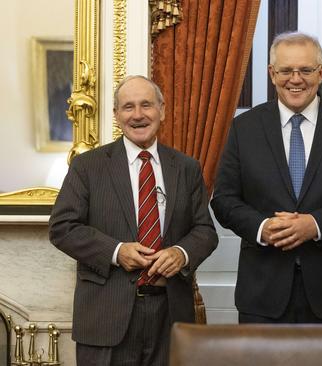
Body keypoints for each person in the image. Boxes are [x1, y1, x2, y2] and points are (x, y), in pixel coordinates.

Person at [49, 75, 218, 366]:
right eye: (128, 107)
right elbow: (62, 228)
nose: (138, 115)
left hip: (170, 316)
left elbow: (205, 230)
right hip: (105, 317)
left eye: (146, 105)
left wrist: (181, 253)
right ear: (116, 115)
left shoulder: (187, 168)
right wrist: (116, 252)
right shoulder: (87, 167)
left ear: (162, 111)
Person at [211, 31, 322, 324]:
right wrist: (262, 227)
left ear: (321, 72)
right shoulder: (244, 127)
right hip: (263, 292)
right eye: (286, 70)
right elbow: (224, 199)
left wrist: (315, 224)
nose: (296, 79)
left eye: (306, 70)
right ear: (272, 74)